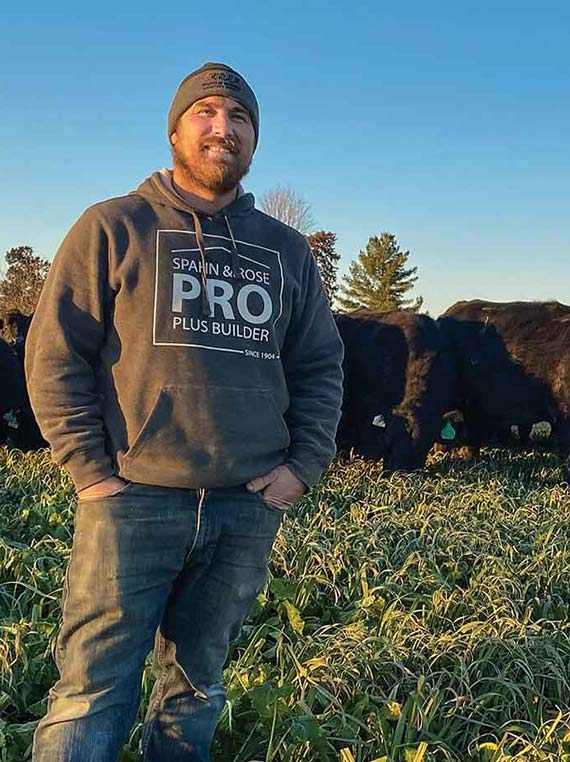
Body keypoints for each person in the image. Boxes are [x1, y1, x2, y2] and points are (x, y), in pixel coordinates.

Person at [26, 62, 344, 761]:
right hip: (132, 502)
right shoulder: (114, 226)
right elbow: (54, 356)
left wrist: (302, 466)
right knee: (90, 694)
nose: (222, 129)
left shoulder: (285, 252)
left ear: (254, 141)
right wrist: (90, 472)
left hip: (244, 507)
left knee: (196, 689)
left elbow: (321, 366)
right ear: (174, 129)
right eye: (205, 113)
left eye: (239, 119)